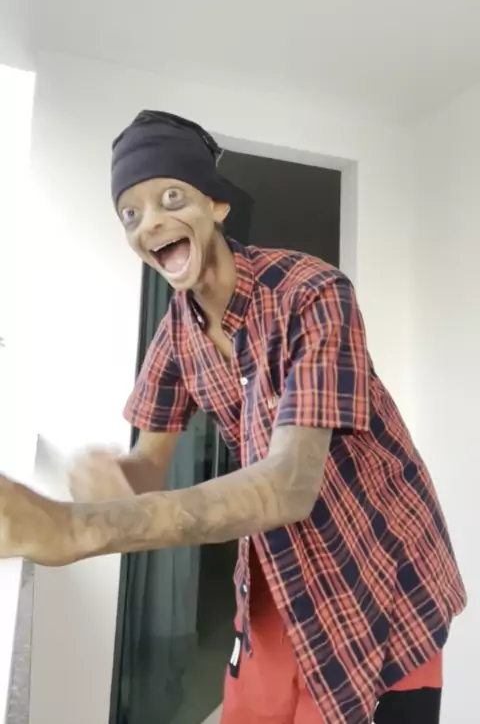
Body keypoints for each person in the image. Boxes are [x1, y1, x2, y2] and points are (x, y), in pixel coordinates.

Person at [0, 111, 466, 724]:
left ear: (215, 205)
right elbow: (147, 466)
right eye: (130, 213)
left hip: (378, 583)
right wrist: (113, 478)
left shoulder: (313, 292)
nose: (150, 223)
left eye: (171, 197)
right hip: (276, 583)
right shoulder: (176, 334)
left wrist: (77, 528)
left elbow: (289, 486)